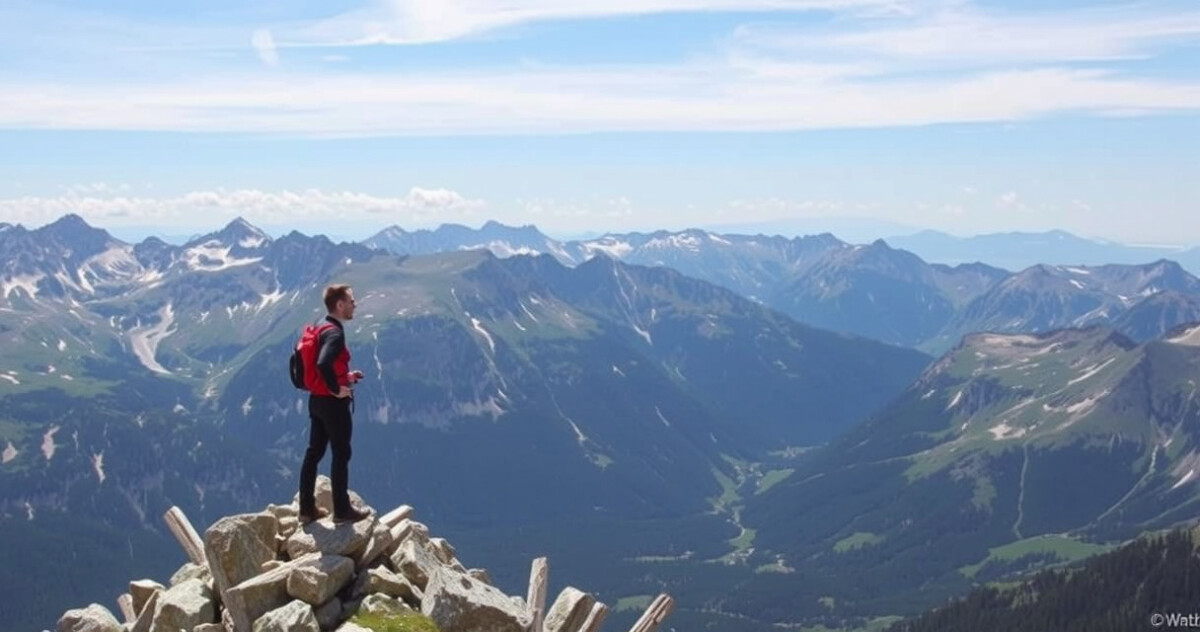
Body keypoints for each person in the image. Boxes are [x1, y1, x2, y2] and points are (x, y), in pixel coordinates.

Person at [298, 284, 371, 524]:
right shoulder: (335, 333)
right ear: (340, 305)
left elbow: (323, 366)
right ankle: (341, 510)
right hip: (332, 404)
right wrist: (336, 389)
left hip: (316, 400)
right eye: (351, 301)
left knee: (314, 452)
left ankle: (306, 509)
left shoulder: (320, 326)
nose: (354, 304)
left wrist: (345, 378)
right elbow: (323, 363)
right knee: (341, 453)